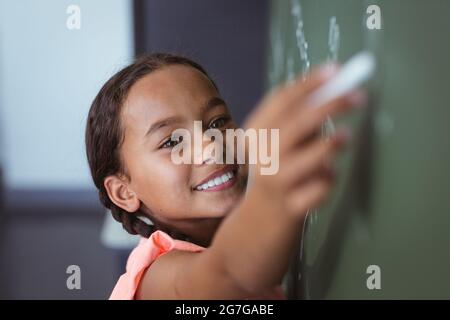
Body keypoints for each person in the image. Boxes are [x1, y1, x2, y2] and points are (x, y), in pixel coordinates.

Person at [85, 53, 365, 299]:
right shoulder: (158, 278)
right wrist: (271, 195)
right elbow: (230, 275)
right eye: (172, 142)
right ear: (124, 192)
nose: (211, 145)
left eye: (217, 122)